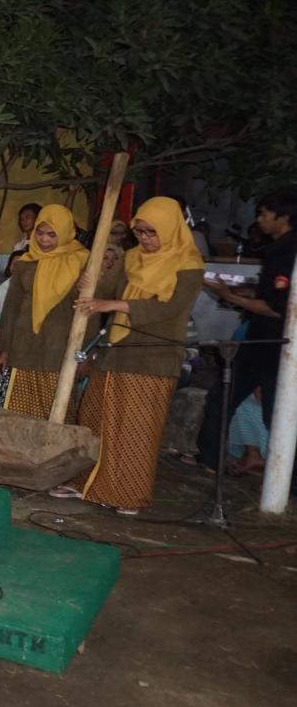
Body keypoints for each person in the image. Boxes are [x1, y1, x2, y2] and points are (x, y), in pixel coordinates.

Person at [58, 197, 205, 514]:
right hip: (116, 351)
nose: (145, 239)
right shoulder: (133, 258)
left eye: (152, 232)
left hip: (152, 356)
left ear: (170, 228)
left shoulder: (189, 264)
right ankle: (86, 481)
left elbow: (172, 308)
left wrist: (114, 306)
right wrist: (90, 284)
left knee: (136, 429)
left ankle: (126, 493)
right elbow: (111, 292)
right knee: (95, 418)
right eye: (139, 232)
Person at [196, 188, 295, 475]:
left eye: (265, 214)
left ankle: (285, 480)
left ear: (283, 217)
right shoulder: (278, 248)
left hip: (276, 342)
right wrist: (233, 291)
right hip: (259, 339)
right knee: (223, 396)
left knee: (277, 413)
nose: (260, 220)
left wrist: (231, 297)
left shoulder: (287, 252)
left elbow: (279, 307)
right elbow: (266, 295)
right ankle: (211, 460)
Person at [0, 205, 90, 419]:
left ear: (64, 233)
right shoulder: (26, 263)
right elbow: (11, 309)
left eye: (52, 234)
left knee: (55, 409)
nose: (44, 240)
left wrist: (85, 353)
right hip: (24, 345)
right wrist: (4, 349)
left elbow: (90, 311)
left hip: (59, 347)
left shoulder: (81, 261)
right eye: (40, 233)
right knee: (19, 411)